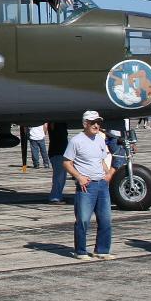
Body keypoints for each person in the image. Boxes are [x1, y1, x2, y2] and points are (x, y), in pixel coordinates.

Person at [62, 111, 115, 260]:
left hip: (102, 184)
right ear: (85, 124)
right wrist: (79, 177)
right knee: (83, 219)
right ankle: (81, 251)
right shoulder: (76, 141)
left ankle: (102, 250)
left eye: (98, 122)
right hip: (87, 185)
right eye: (93, 122)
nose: (96, 125)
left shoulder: (100, 139)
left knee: (105, 219)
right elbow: (66, 162)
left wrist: (107, 175)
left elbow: (102, 159)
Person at [46, 121, 70, 203]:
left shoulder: (53, 124)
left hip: (56, 152)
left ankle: (57, 195)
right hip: (59, 153)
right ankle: (55, 197)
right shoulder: (57, 123)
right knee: (59, 177)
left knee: (59, 176)